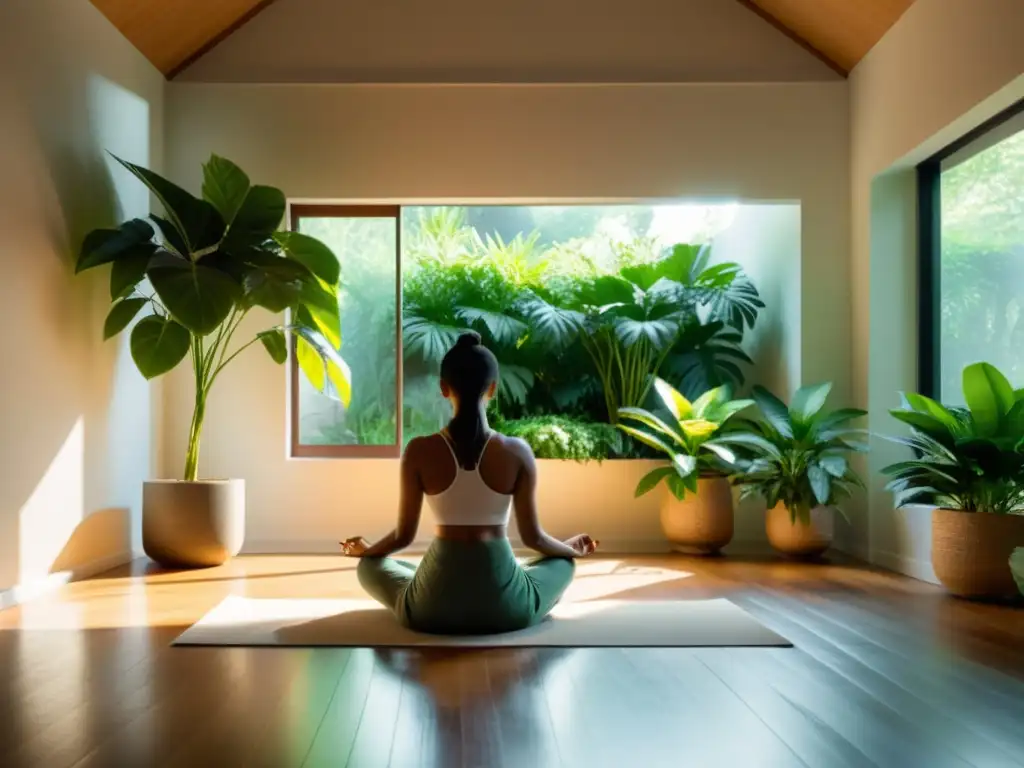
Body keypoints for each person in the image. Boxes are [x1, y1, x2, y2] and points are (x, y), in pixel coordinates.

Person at [340, 332, 598, 635]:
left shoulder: (419, 451)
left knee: (369, 567)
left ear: (443, 388)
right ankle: (531, 590)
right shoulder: (517, 452)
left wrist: (367, 552)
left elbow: (402, 537)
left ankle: (420, 584)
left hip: (431, 611)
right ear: (493, 389)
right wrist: (569, 550)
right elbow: (534, 539)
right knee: (564, 564)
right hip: (505, 610)